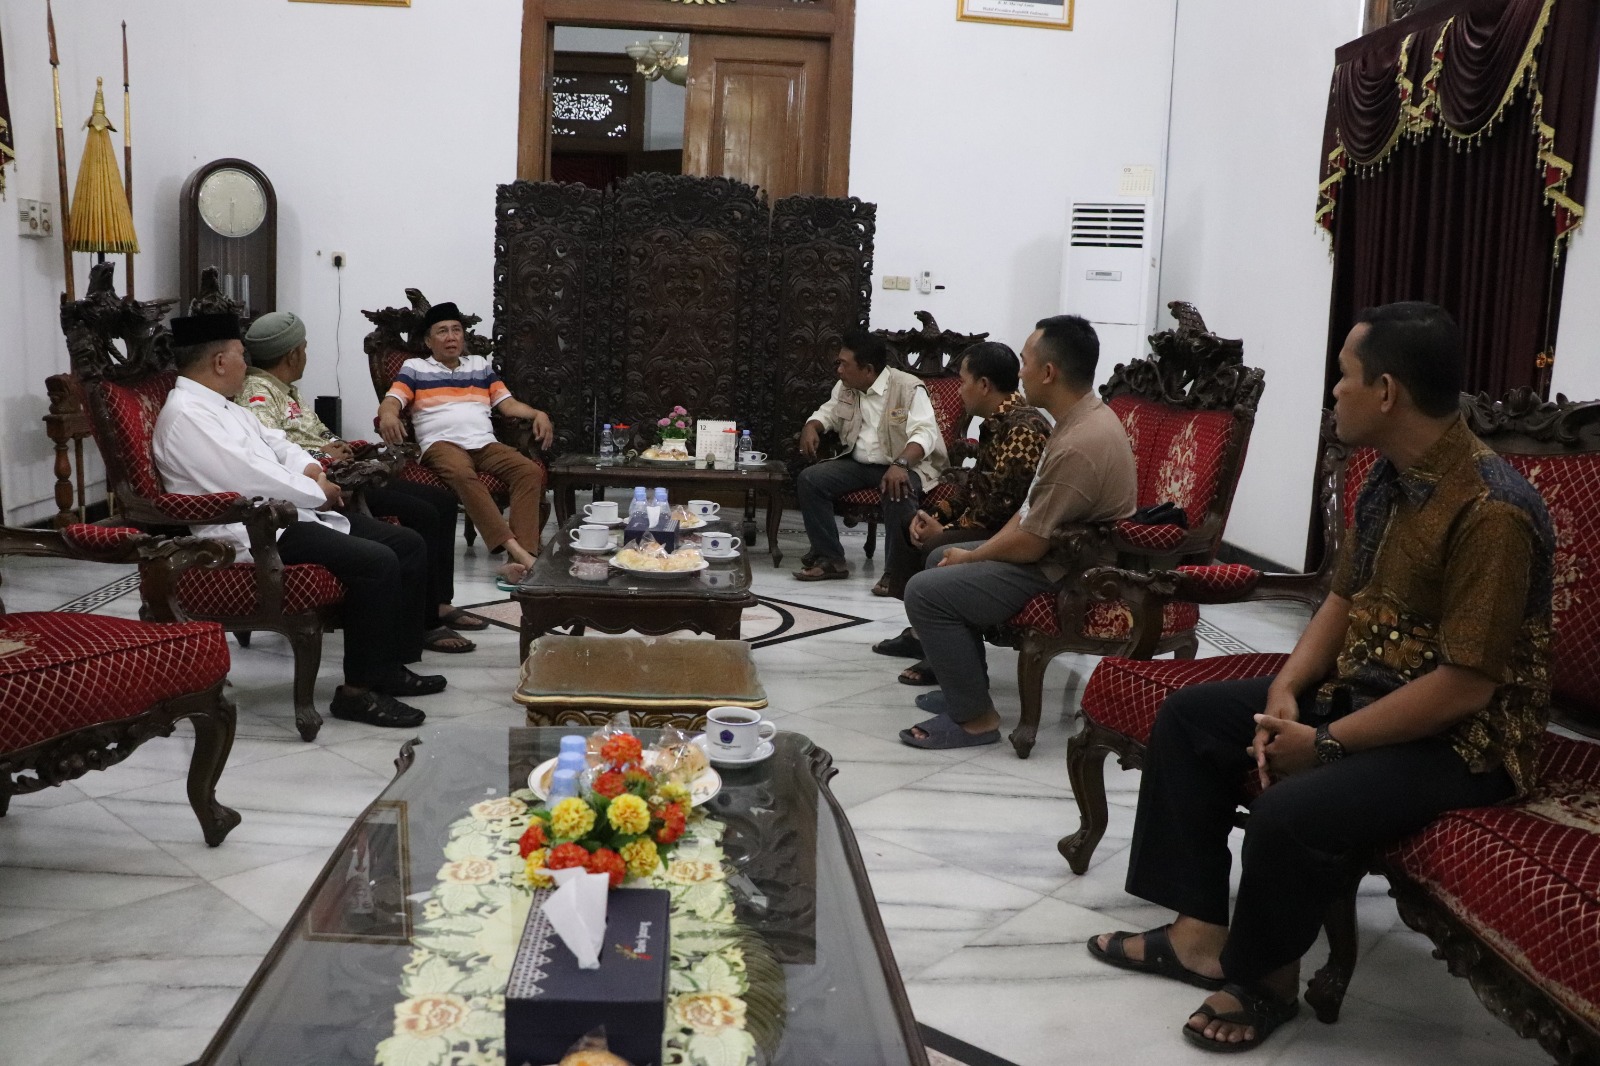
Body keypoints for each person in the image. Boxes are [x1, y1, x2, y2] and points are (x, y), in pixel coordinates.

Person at [1088, 302, 1553, 1053]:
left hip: (1465, 742)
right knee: (1192, 719)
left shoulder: (1491, 511)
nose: (1334, 391)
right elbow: (1341, 598)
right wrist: (1286, 689)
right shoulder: (1389, 477)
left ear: (1387, 392)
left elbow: (1466, 687)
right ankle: (1198, 937)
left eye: (1344, 376)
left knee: (1290, 811)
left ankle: (1266, 982)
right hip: (1371, 691)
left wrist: (1326, 744)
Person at [153, 312, 445, 729]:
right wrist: (318, 491)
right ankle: (357, 693)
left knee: (408, 544)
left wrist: (311, 470)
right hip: (248, 532)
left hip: (286, 513)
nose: (246, 364)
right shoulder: (187, 415)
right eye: (241, 355)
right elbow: (249, 478)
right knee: (377, 561)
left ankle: (388, 668)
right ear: (219, 362)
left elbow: (277, 444)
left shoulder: (223, 405)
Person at [900, 314, 1136, 749]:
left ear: (1048, 372)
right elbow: (1029, 510)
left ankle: (977, 720)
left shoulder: (1079, 441)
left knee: (924, 591)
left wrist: (973, 556)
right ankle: (967, 689)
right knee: (937, 558)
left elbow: (1031, 543)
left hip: (1072, 573)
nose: (1019, 372)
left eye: (1025, 361)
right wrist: (972, 551)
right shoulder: (1075, 421)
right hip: (1052, 551)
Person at [239, 310, 485, 654]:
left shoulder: (285, 389)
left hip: (345, 471)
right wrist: (323, 454)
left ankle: (439, 603)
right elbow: (271, 449)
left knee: (441, 503)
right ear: (293, 354)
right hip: (331, 482)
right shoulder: (258, 393)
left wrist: (338, 446)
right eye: (305, 348)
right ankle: (424, 622)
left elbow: (313, 432)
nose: (307, 355)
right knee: (425, 514)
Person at [871, 340, 1050, 686]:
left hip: (1010, 530)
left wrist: (946, 529)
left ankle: (948, 653)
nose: (958, 390)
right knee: (911, 524)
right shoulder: (997, 421)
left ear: (983, 385)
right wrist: (936, 515)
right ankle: (924, 634)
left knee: (934, 547)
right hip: (991, 519)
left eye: (963, 381)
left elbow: (1002, 505)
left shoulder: (1022, 428)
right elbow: (973, 488)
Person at [378, 302, 553, 583]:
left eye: (456, 330)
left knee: (529, 470)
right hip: (441, 444)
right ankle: (520, 553)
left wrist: (538, 414)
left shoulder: (479, 366)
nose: (451, 337)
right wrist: (388, 415)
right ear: (428, 341)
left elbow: (508, 405)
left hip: (484, 443)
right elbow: (392, 400)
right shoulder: (415, 367)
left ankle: (516, 565)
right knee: (462, 474)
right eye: (442, 331)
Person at [794, 329, 948, 581]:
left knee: (898, 488)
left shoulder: (907, 388)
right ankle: (830, 558)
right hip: (859, 464)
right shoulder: (846, 387)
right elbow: (829, 412)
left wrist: (901, 464)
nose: (839, 370)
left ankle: (896, 574)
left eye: (844, 364)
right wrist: (811, 426)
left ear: (867, 370)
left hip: (907, 465)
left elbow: (925, 434)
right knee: (810, 479)